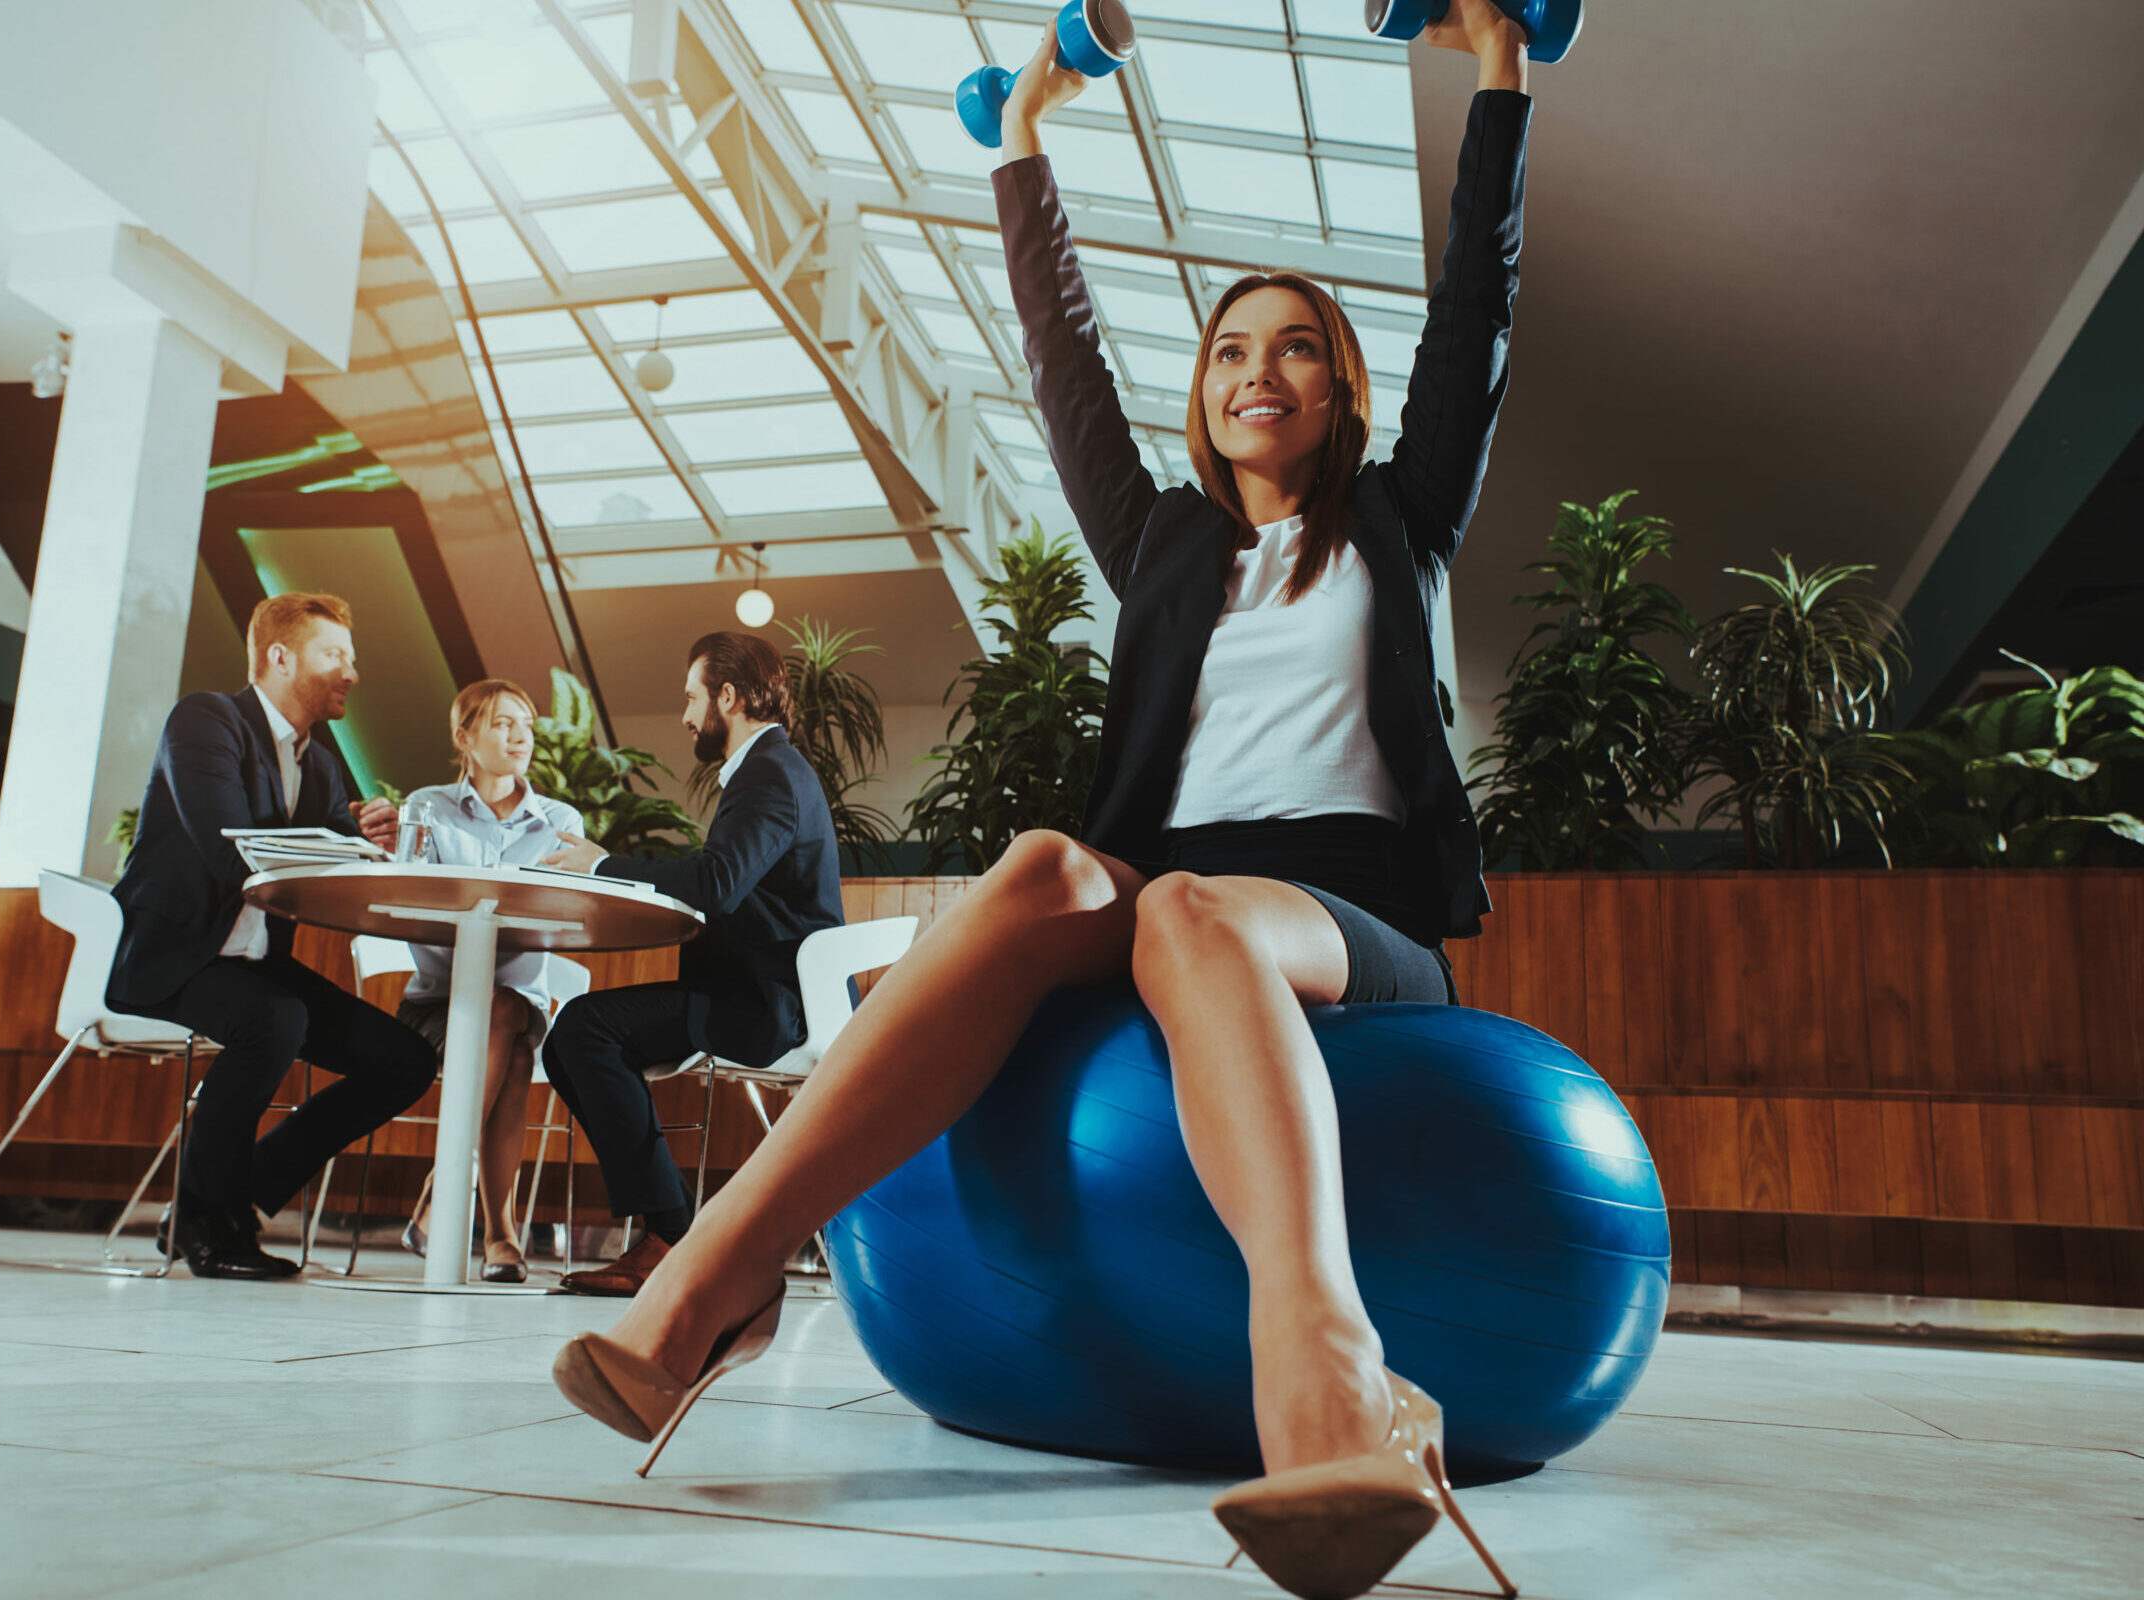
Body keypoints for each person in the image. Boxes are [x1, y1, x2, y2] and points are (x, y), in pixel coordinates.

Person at [549, 7, 1533, 1596]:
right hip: (1161, 897)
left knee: (1191, 911)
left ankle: (1329, 1372)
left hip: (1352, 925)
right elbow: (1060, 355)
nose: (1254, 369)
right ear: (1200, 398)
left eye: (1294, 344)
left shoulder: (1402, 523)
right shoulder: (1158, 546)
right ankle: (715, 1281)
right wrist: (1018, 142)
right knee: (1038, 873)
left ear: (1340, 388)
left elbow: (1479, 309)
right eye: (1225, 349)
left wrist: (1502, 73)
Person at [107, 592, 437, 1280]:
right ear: (280, 657)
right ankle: (205, 1220)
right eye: (335, 655)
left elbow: (323, 854)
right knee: (273, 1019)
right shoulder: (206, 720)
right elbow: (233, 849)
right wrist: (338, 840)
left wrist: (362, 841)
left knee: (404, 1060)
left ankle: (244, 1193)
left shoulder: (318, 762)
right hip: (176, 959)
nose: (352, 672)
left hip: (254, 968)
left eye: (351, 657)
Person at [537, 631, 843, 1297]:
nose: (684, 715)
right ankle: (667, 1228)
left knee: (583, 1031)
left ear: (727, 697)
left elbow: (716, 884)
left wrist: (601, 864)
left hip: (764, 1005)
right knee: (568, 1042)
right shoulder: (772, 770)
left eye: (690, 697)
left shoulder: (769, 773)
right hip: (749, 990)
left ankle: (670, 1236)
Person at [391, 679, 585, 1284]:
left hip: (515, 1004)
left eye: (526, 724)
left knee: (506, 1009)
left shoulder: (559, 821)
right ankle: (501, 1234)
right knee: (513, 1043)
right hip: (435, 1004)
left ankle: (440, 1195)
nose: (520, 736)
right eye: (502, 723)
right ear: (464, 736)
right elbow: (408, 898)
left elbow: (570, 908)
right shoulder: (426, 806)